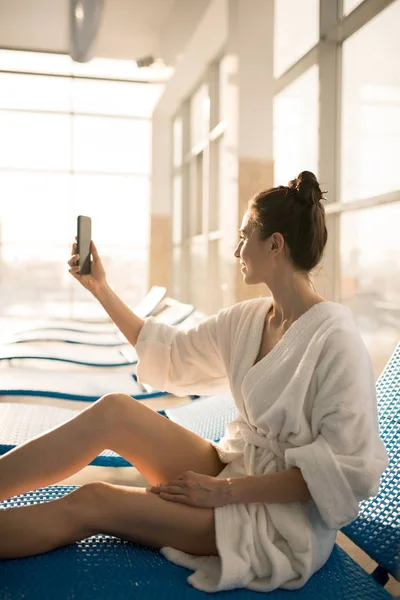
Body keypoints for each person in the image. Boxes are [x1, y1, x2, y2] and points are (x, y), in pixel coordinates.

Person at [0, 171, 388, 593]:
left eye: (245, 236)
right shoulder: (251, 318)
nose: (237, 249)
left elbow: (341, 472)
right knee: (115, 410)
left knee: (93, 500)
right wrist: (101, 289)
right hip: (237, 468)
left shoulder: (337, 339)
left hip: (278, 518)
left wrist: (224, 493)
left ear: (275, 245)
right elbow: (169, 350)